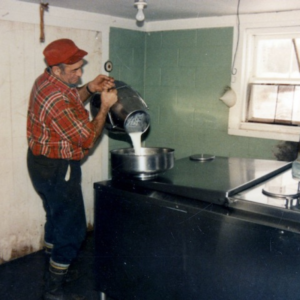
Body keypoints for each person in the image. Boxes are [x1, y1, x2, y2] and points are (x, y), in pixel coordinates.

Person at [26, 38, 117, 300]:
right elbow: (87, 139)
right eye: (75, 70)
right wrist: (106, 106)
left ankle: (55, 268)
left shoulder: (49, 81)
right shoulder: (55, 97)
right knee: (73, 228)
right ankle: (53, 289)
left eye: (81, 68)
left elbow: (71, 98)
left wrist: (90, 87)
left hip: (41, 163)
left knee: (56, 216)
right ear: (57, 69)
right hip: (57, 167)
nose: (80, 73)